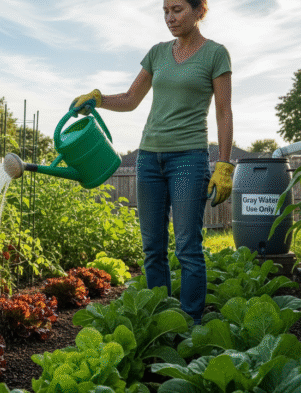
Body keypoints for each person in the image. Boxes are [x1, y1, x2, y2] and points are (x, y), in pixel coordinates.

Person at [70, 0, 233, 325]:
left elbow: (223, 111)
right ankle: (161, 320)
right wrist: (99, 100)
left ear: (199, 10)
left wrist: (224, 164)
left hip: (188, 158)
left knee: (188, 245)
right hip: (148, 160)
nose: (170, 18)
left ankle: (190, 323)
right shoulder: (157, 53)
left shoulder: (216, 54)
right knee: (152, 248)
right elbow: (131, 100)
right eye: (165, 11)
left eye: (177, 10)